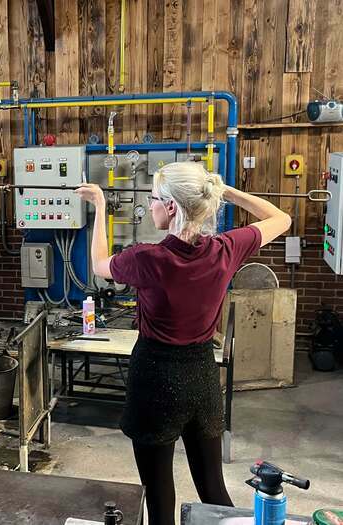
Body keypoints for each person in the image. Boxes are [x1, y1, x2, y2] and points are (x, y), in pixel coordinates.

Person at [75, 161, 291, 525]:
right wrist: (225, 190)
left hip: (156, 379)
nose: (152, 206)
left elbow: (98, 263)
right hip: (203, 379)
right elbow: (281, 218)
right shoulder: (226, 249)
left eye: (156, 199)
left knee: (160, 498)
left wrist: (98, 204)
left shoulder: (148, 259)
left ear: (172, 206)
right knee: (214, 492)